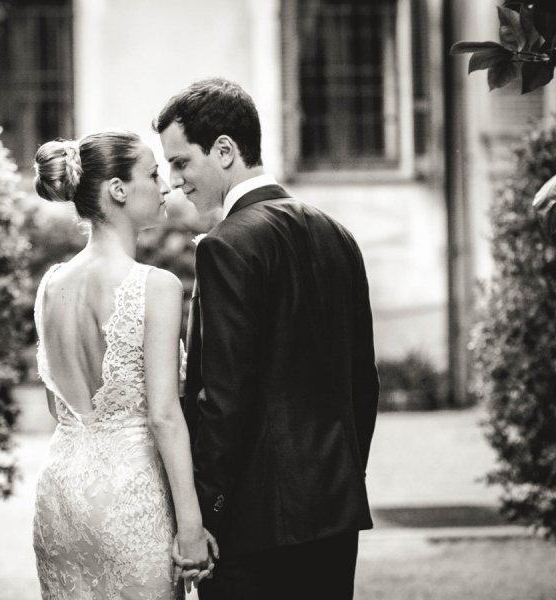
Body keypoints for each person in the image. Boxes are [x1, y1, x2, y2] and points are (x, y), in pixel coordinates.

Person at [154, 78, 379, 599]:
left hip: (254, 529)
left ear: (226, 151)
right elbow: (363, 382)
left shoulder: (226, 246)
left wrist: (205, 511)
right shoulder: (337, 233)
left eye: (182, 162)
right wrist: (345, 476)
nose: (175, 181)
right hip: (335, 512)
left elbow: (224, 396)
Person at [31, 129, 216, 599]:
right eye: (153, 175)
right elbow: (163, 415)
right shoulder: (156, 286)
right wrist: (191, 525)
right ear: (118, 190)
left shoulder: (51, 285)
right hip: (129, 500)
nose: (165, 186)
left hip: (60, 493)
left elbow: (59, 410)